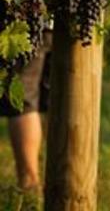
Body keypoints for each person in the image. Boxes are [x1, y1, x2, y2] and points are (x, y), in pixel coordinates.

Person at [1, 41, 50, 194]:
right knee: (61, 98)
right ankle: (62, 182)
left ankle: (30, 186)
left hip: (31, 23)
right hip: (66, 23)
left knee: (23, 102)